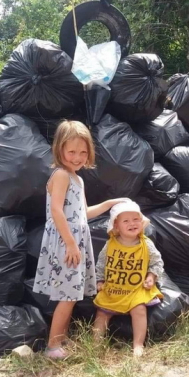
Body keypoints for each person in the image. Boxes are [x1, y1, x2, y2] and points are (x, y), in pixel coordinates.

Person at [33, 120, 127, 360]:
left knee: (71, 294)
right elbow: (56, 211)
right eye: (71, 151)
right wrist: (71, 244)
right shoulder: (61, 175)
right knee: (67, 296)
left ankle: (60, 340)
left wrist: (108, 204)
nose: (77, 157)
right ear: (60, 150)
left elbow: (83, 212)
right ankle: (53, 347)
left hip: (74, 240)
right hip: (67, 243)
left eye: (83, 152)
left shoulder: (77, 178)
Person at [93, 200, 164, 357]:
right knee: (102, 313)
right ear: (116, 226)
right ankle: (96, 344)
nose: (132, 223)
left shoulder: (146, 244)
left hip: (135, 289)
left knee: (139, 309)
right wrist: (100, 280)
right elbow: (101, 263)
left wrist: (151, 276)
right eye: (126, 221)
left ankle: (138, 345)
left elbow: (157, 262)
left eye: (136, 219)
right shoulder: (110, 245)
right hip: (114, 288)